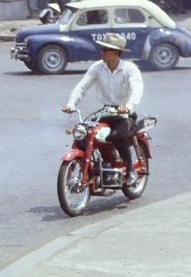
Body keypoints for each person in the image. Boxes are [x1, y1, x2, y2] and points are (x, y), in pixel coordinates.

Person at [62, 33, 144, 186]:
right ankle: (99, 166)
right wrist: (71, 104)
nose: (102, 52)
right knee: (83, 134)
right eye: (102, 48)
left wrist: (127, 107)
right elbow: (82, 86)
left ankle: (131, 170)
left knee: (117, 136)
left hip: (125, 115)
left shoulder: (129, 69)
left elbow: (137, 90)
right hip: (106, 113)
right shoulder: (98, 68)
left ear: (115, 52)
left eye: (105, 49)